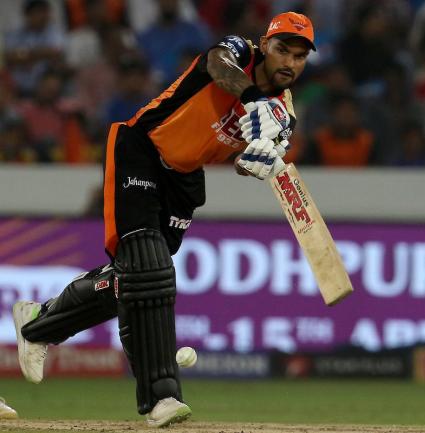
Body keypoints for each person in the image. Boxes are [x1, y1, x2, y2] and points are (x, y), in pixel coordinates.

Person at [12, 11, 315, 428]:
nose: (290, 63)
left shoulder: (284, 113)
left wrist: (258, 160)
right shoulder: (237, 52)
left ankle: (38, 323)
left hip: (184, 178)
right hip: (143, 148)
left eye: (300, 56)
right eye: (283, 50)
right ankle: (162, 396)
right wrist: (251, 99)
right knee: (151, 271)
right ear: (265, 45)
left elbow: (246, 161)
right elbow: (216, 65)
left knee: (136, 278)